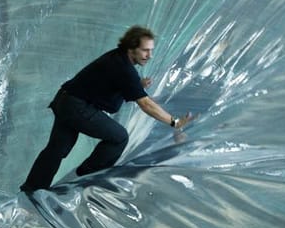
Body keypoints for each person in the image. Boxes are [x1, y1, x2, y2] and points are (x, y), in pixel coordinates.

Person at [20, 26, 195, 193]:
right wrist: (175, 122)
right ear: (131, 48)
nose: (149, 55)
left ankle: (31, 189)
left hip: (64, 100)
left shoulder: (117, 58)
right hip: (75, 106)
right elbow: (146, 104)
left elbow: (112, 84)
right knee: (119, 137)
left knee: (56, 149)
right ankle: (86, 178)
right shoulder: (124, 68)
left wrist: (137, 85)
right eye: (145, 50)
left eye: (151, 50)